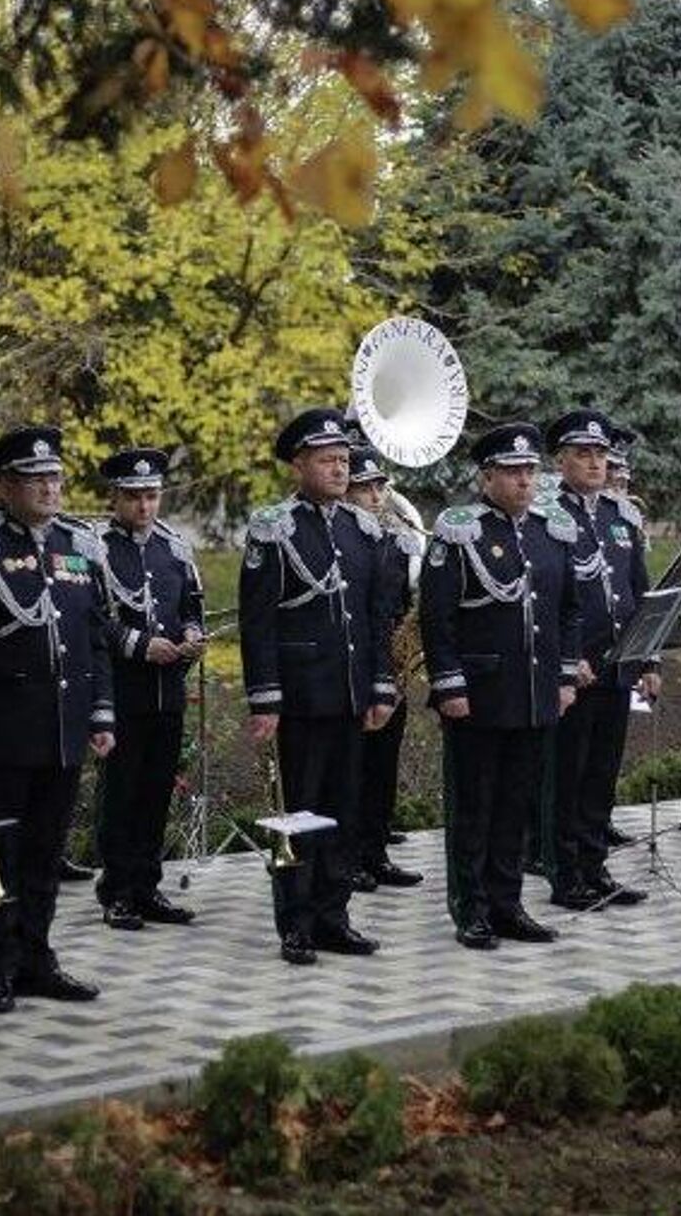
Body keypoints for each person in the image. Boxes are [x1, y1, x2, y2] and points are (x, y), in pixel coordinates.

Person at [0, 426, 117, 1014]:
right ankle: (0, 968)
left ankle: (39, 959)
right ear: (4, 485)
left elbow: (96, 641)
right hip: (3, 730)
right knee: (2, 857)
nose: (49, 488)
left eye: (55, 477)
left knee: (46, 856)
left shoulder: (81, 545)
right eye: (35, 478)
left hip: (63, 726)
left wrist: (100, 712)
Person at [239, 409, 397, 966]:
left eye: (343, 460)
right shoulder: (274, 528)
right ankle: (296, 922)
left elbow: (377, 620)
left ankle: (335, 916)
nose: (339, 468)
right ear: (299, 465)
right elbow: (257, 622)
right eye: (327, 460)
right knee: (297, 816)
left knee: (344, 813)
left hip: (352, 695)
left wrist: (381, 688)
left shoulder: (364, 530)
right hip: (300, 697)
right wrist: (265, 698)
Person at [421, 422, 582, 950]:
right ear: (488, 476)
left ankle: (508, 903)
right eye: (512, 472)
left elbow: (568, 613)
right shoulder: (460, 531)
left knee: (517, 804)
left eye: (530, 471)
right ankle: (471, 909)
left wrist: (563, 676)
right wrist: (449, 685)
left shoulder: (550, 529)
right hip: (479, 694)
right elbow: (438, 618)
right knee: (475, 806)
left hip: (535, 692)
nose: (524, 482)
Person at [541, 411, 655, 912]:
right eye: (582, 454)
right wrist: (566, 661)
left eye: (600, 454)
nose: (594, 463)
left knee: (602, 775)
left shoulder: (620, 516)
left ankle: (594, 866)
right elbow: (543, 601)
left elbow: (639, 593)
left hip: (618, 666)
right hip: (575, 670)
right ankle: (564, 874)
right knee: (567, 775)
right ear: (561, 460)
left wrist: (649, 661)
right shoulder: (548, 516)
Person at [94, 446, 206, 930]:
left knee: (157, 791)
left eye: (153, 496)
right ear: (115, 497)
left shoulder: (174, 547)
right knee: (121, 793)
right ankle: (116, 889)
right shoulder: (94, 548)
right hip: (121, 690)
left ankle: (147, 885)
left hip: (168, 691)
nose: (145, 507)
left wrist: (193, 636)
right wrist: (140, 645)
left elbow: (191, 606)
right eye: (135, 497)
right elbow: (90, 619)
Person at [344, 445, 424, 891]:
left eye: (379, 487)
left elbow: (403, 603)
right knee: (353, 767)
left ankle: (375, 852)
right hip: (354, 668)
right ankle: (348, 855)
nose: (376, 496)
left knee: (382, 766)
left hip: (392, 665)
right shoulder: (345, 541)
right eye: (365, 488)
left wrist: (404, 656)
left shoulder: (396, 539)